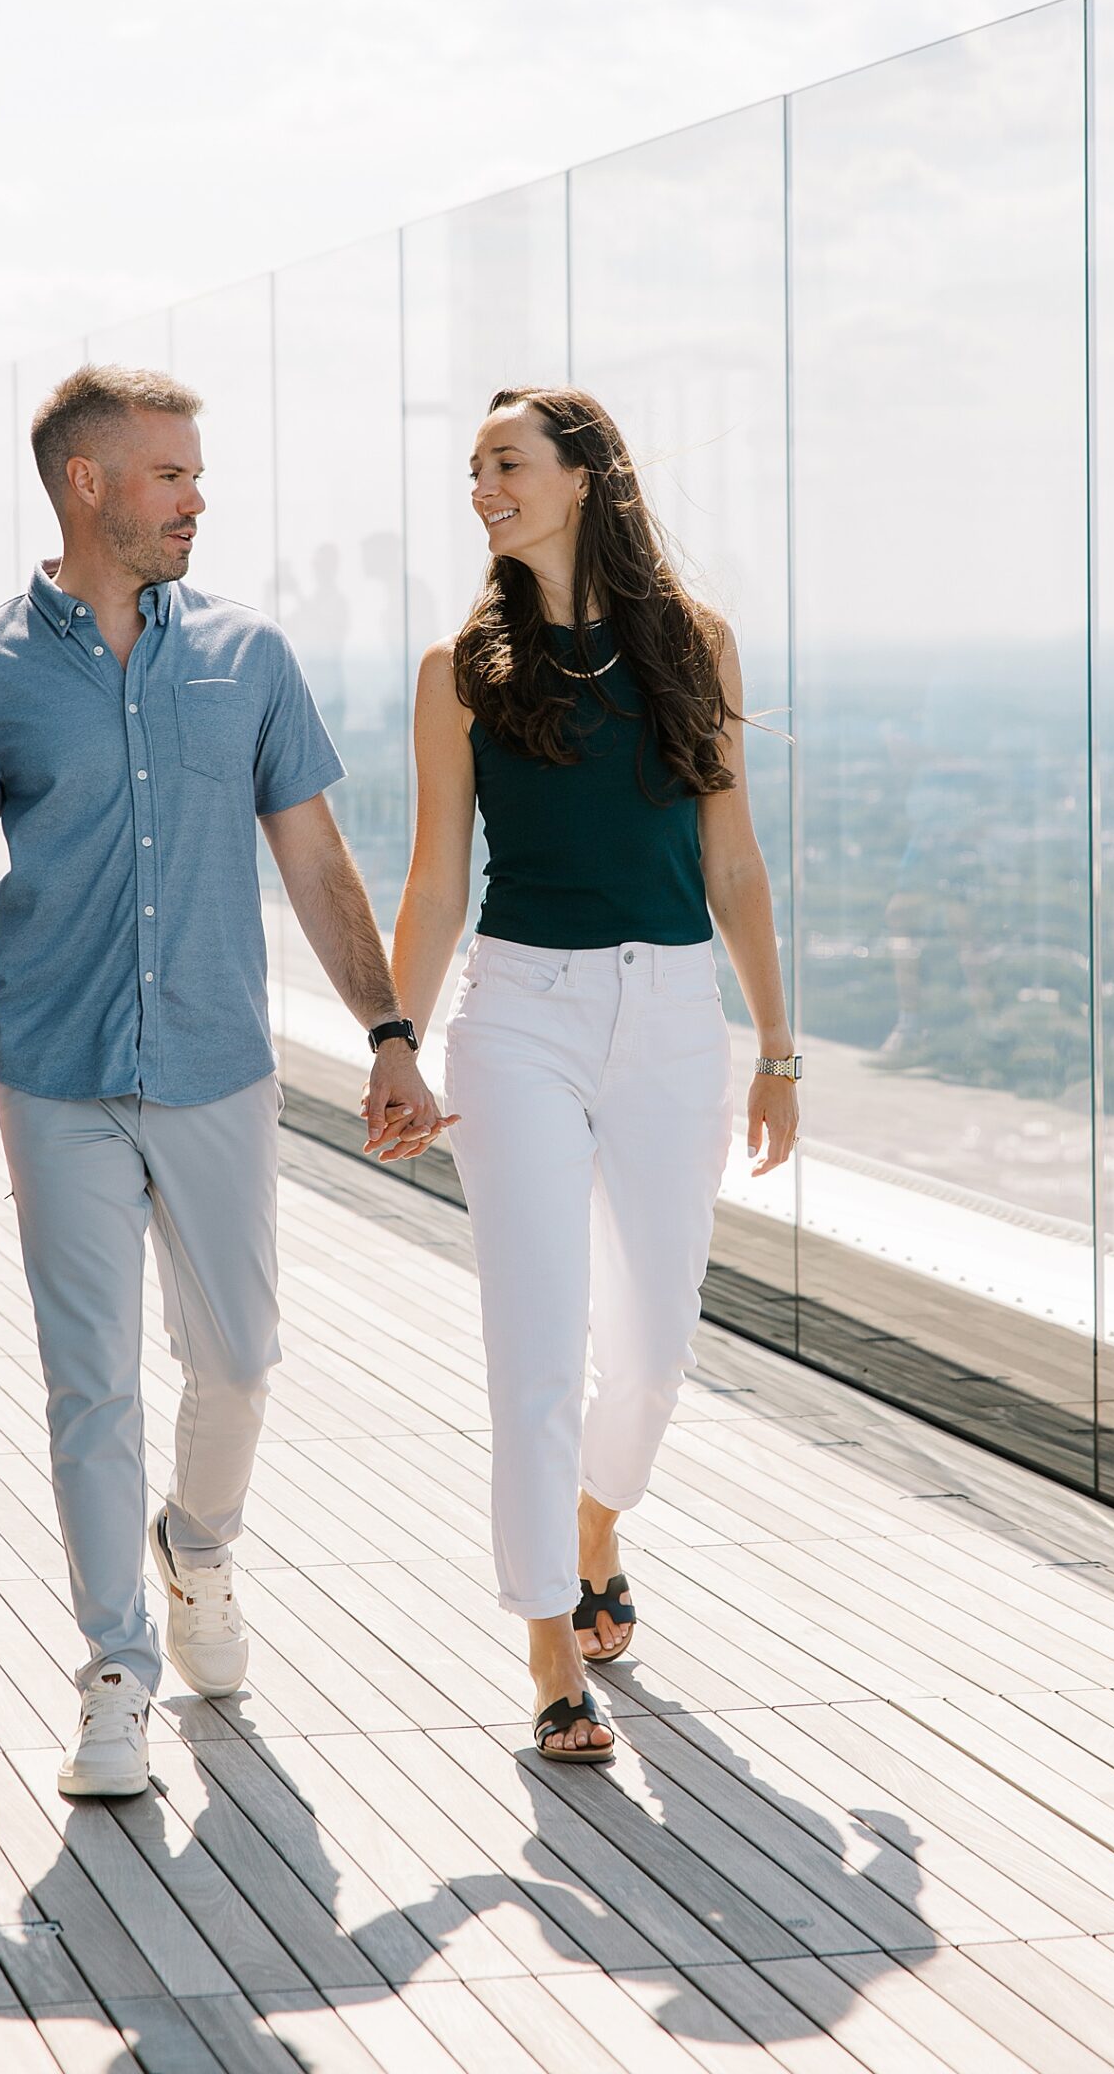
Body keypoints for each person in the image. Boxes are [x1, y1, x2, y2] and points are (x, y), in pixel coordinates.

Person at [0, 365, 443, 1800]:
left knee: (241, 1365)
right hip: (56, 1078)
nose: (199, 498)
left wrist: (389, 1034)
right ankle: (115, 1671)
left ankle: (196, 1549)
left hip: (216, 1069)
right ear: (90, 486)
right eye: (171, 476)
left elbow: (318, 865)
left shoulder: (250, 656)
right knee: (90, 1390)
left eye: (196, 474)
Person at [386, 386, 798, 1763]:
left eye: (505, 463)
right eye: (473, 468)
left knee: (657, 1351)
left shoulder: (697, 647)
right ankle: (549, 1641)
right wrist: (396, 1039)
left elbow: (732, 861)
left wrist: (780, 1051)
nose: (483, 486)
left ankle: (595, 1523)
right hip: (518, 1018)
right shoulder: (459, 671)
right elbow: (438, 878)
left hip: (677, 1014)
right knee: (535, 1347)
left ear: (582, 477)